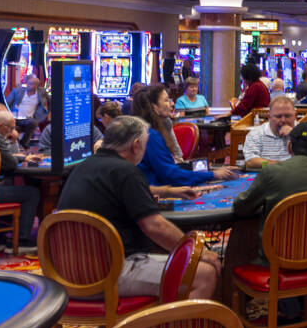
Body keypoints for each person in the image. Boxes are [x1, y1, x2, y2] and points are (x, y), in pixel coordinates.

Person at [56, 116, 220, 299]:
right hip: (108, 274)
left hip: (66, 273)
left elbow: (118, 191)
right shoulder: (127, 172)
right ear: (135, 145)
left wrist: (167, 191)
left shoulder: (84, 166)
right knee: (205, 273)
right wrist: (199, 253)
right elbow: (155, 226)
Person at [233, 121, 307, 327]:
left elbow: (242, 207)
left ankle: (291, 310)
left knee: (251, 246)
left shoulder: (272, 173)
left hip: (280, 261)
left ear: (289, 148)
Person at [133, 84, 238, 195]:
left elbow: (170, 169)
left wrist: (211, 171)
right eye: (166, 100)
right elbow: (171, 176)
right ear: (154, 107)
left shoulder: (149, 129)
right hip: (152, 196)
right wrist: (213, 175)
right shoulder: (151, 136)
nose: (172, 104)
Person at [0, 110, 39, 247]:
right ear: (0, 126)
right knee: (31, 192)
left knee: (9, 184)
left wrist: (20, 154)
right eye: (11, 128)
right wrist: (15, 146)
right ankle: (22, 240)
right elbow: (11, 163)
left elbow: (9, 157)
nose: (14, 131)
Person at [241, 95, 297, 169]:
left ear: (295, 116)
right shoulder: (256, 134)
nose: (283, 120)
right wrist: (279, 165)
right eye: (278, 116)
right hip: (267, 176)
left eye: (287, 116)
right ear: (269, 117)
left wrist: (295, 136)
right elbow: (251, 162)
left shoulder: (303, 132)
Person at [6, 74, 48, 143]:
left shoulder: (41, 93)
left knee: (33, 122)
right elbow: (7, 103)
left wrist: (49, 112)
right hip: (13, 117)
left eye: (33, 84)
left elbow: (51, 100)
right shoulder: (17, 91)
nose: (30, 85)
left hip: (28, 119)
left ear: (37, 85)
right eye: (29, 83)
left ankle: (24, 142)